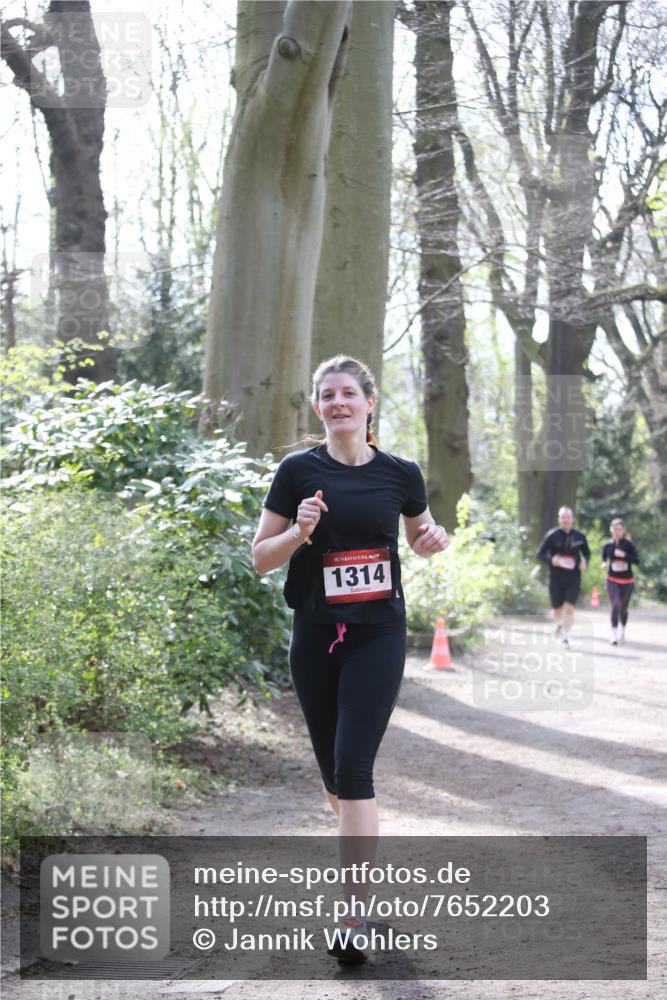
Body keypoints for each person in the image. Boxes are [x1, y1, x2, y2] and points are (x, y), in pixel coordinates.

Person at [251, 354, 449, 963]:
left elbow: (420, 535)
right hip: (315, 638)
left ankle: (354, 914)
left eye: (349, 394)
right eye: (327, 395)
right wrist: (299, 533)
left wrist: (431, 540)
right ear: (318, 407)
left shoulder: (400, 472)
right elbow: (261, 557)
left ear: (369, 402)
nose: (339, 403)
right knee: (336, 780)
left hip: (378, 635)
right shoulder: (295, 472)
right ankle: (362, 867)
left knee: (354, 769)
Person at [536, 506, 590, 648]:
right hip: (556, 577)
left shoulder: (580, 537)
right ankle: (560, 625)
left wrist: (585, 562)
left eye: (568, 517)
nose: (566, 520)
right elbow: (539, 553)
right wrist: (551, 560)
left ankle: (566, 636)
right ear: (559, 519)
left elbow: (587, 554)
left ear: (572, 519)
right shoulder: (552, 535)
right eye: (563, 517)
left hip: (573, 577)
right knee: (557, 610)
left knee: (569, 608)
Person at [601, 518, 640, 645]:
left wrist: (625, 556)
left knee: (623, 609)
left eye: (620, 529)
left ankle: (622, 631)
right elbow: (604, 558)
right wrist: (603, 564)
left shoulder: (629, 545)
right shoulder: (608, 545)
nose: (617, 531)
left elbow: (637, 560)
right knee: (615, 605)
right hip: (612, 579)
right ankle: (613, 634)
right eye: (615, 529)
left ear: (624, 531)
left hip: (627, 580)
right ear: (611, 530)